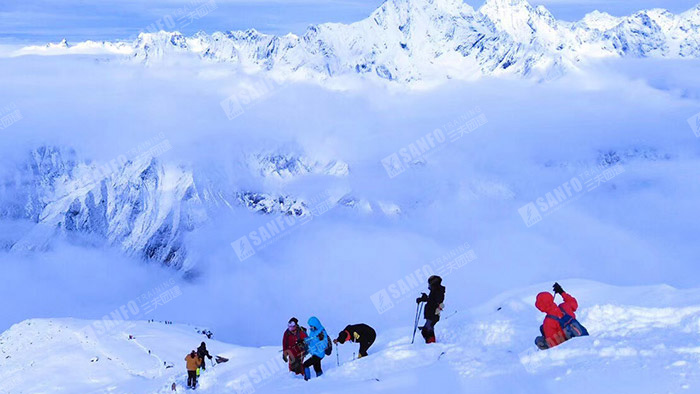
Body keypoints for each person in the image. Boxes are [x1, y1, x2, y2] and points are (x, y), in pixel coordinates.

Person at [534, 282, 589, 350]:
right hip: (582, 336)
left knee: (539, 339)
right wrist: (561, 292)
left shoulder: (548, 321)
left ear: (540, 307)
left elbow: (552, 344)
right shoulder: (564, 306)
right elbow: (574, 303)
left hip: (569, 345)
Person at [416, 275, 445, 343]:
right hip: (431, 313)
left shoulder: (438, 291)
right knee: (426, 330)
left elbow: (435, 301)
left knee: (428, 329)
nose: (429, 285)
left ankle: (431, 344)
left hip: (433, 313)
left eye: (430, 284)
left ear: (434, 284)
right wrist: (424, 298)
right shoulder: (435, 291)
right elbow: (432, 300)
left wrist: (425, 298)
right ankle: (430, 344)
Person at [302, 316, 330, 381]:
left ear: (315, 325)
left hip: (319, 353)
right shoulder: (312, 331)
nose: (311, 327)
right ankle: (320, 379)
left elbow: (324, 344)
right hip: (314, 353)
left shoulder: (322, 332)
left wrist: (316, 345)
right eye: (310, 326)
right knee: (317, 367)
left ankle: (307, 380)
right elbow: (310, 340)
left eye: (312, 326)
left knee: (305, 364)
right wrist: (304, 339)